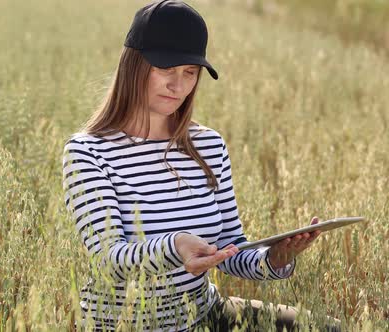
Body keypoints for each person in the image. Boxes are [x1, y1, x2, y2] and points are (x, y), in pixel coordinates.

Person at [62, 1, 337, 330]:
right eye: (166, 69)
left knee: (327, 327)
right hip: (126, 324)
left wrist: (275, 258)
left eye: (189, 72)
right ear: (134, 65)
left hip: (203, 314)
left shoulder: (209, 145)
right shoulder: (87, 152)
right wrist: (175, 246)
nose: (178, 86)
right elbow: (109, 260)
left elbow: (230, 248)